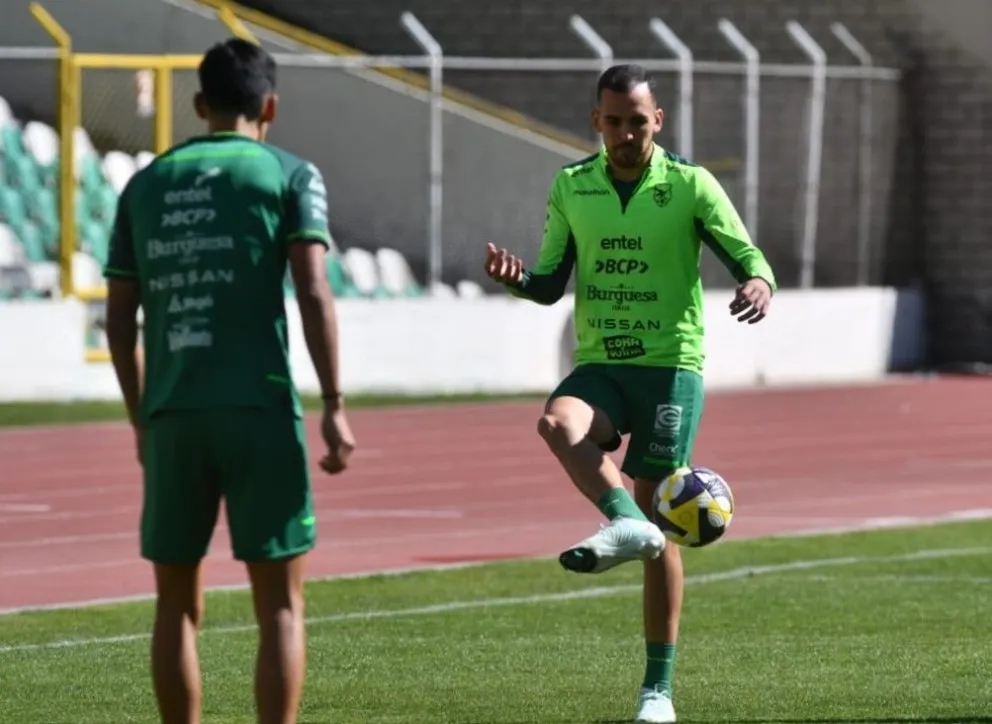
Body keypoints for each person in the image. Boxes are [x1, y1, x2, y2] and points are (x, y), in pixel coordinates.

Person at [483, 64, 775, 724]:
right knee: (557, 425)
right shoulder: (572, 185)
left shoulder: (691, 185)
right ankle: (623, 520)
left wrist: (757, 284)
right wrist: (515, 277)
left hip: (671, 365)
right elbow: (551, 281)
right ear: (596, 122)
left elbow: (746, 254)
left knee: (661, 516)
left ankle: (657, 691)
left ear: (657, 122)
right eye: (612, 121)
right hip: (603, 362)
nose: (624, 133)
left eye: (637, 122)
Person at [103, 38, 356, 724]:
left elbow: (118, 320)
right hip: (260, 408)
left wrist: (139, 418)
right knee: (279, 604)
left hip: (175, 413)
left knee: (175, 606)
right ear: (269, 105)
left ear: (198, 104)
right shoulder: (289, 173)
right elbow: (312, 290)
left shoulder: (145, 183)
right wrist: (333, 402)